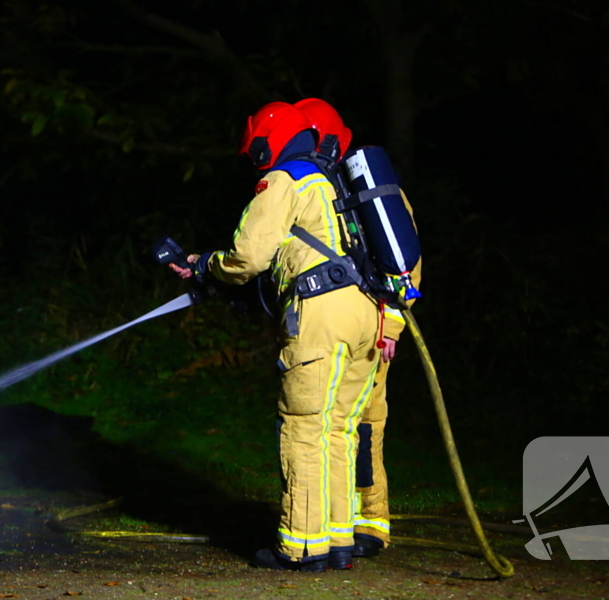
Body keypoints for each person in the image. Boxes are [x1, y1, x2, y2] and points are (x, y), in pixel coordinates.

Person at [171, 102, 386, 572]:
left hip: (322, 313)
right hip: (371, 314)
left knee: (304, 425)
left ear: (270, 141)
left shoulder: (288, 180)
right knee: (342, 429)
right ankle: (340, 540)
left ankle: (304, 547)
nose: (256, 164)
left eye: (255, 154)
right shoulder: (346, 186)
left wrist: (207, 264)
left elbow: (247, 257)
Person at [293, 98, 422, 559]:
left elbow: (404, 265)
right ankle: (364, 527)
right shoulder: (370, 191)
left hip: (354, 327)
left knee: (343, 429)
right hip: (376, 326)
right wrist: (389, 324)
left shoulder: (323, 189)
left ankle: (349, 529)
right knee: (363, 427)